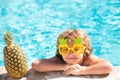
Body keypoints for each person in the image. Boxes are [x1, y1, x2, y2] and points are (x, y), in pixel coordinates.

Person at [32, 29, 113, 75]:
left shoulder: (87, 59)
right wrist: (64, 67)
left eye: (76, 49)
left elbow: (107, 67)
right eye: (65, 49)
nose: (70, 54)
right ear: (60, 51)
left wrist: (82, 71)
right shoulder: (60, 60)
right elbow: (36, 65)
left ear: (85, 50)